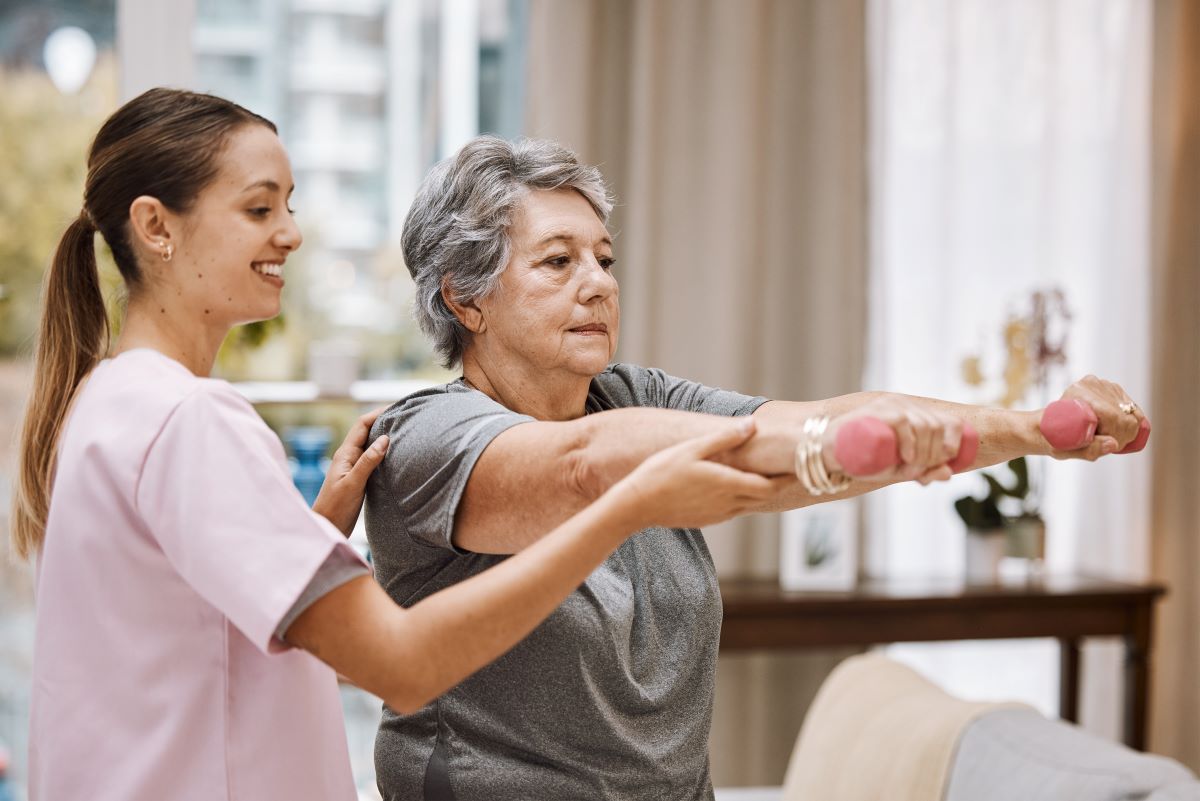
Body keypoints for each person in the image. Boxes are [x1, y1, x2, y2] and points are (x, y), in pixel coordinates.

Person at [9, 89, 780, 801]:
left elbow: (181, 642)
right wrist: (624, 509)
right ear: (155, 227)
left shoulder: (109, 399)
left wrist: (310, 534)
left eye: (289, 204)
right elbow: (403, 666)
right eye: (258, 208)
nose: (292, 232)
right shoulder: (190, 420)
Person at [365, 135, 1148, 801]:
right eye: (558, 261)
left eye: (603, 258)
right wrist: (829, 449)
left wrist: (1039, 429)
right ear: (465, 301)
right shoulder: (430, 439)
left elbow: (810, 419)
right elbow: (583, 469)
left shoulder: (630, 396)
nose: (599, 281)